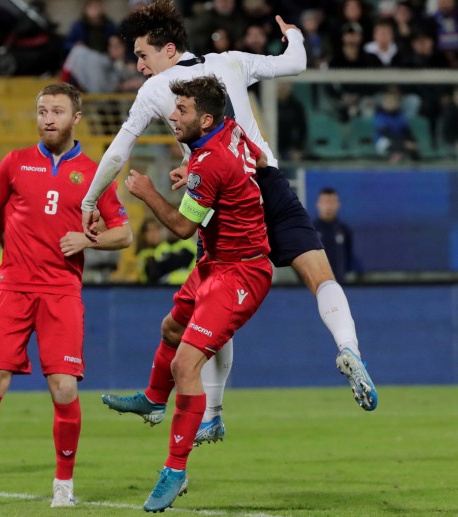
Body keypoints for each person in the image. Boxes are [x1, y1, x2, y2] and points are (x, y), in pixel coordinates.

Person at [81, 0, 377, 445]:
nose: (139, 65)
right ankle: (348, 347)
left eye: (142, 54)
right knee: (320, 275)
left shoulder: (156, 88)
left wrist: (90, 200)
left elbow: (118, 152)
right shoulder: (231, 61)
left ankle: (213, 413)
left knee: (213, 303)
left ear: (168, 49)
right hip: (267, 181)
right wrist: (294, 35)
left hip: (223, 201)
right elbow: (295, 63)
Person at [0, 83, 132, 511]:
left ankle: (63, 484)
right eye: (42, 111)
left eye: (57, 111)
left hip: (61, 291)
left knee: (64, 387)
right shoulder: (15, 163)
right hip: (13, 287)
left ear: (76, 118)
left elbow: (124, 233)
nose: (48, 118)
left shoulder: (93, 173)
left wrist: (87, 241)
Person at [127, 74, 273, 513]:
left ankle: (175, 470)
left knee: (185, 364)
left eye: (182, 110)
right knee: (170, 327)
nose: (173, 116)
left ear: (205, 119)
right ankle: (154, 398)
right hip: (214, 263)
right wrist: (196, 172)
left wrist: (147, 192)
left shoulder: (209, 162)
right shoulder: (230, 130)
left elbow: (181, 227)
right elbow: (259, 158)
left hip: (241, 272)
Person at [314, 187, 355, 284]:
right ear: (318, 204)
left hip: (339, 283)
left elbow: (348, 254)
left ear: (338, 205)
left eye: (332, 202)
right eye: (325, 202)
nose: (328, 206)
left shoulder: (344, 230)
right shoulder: (310, 230)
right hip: (316, 284)